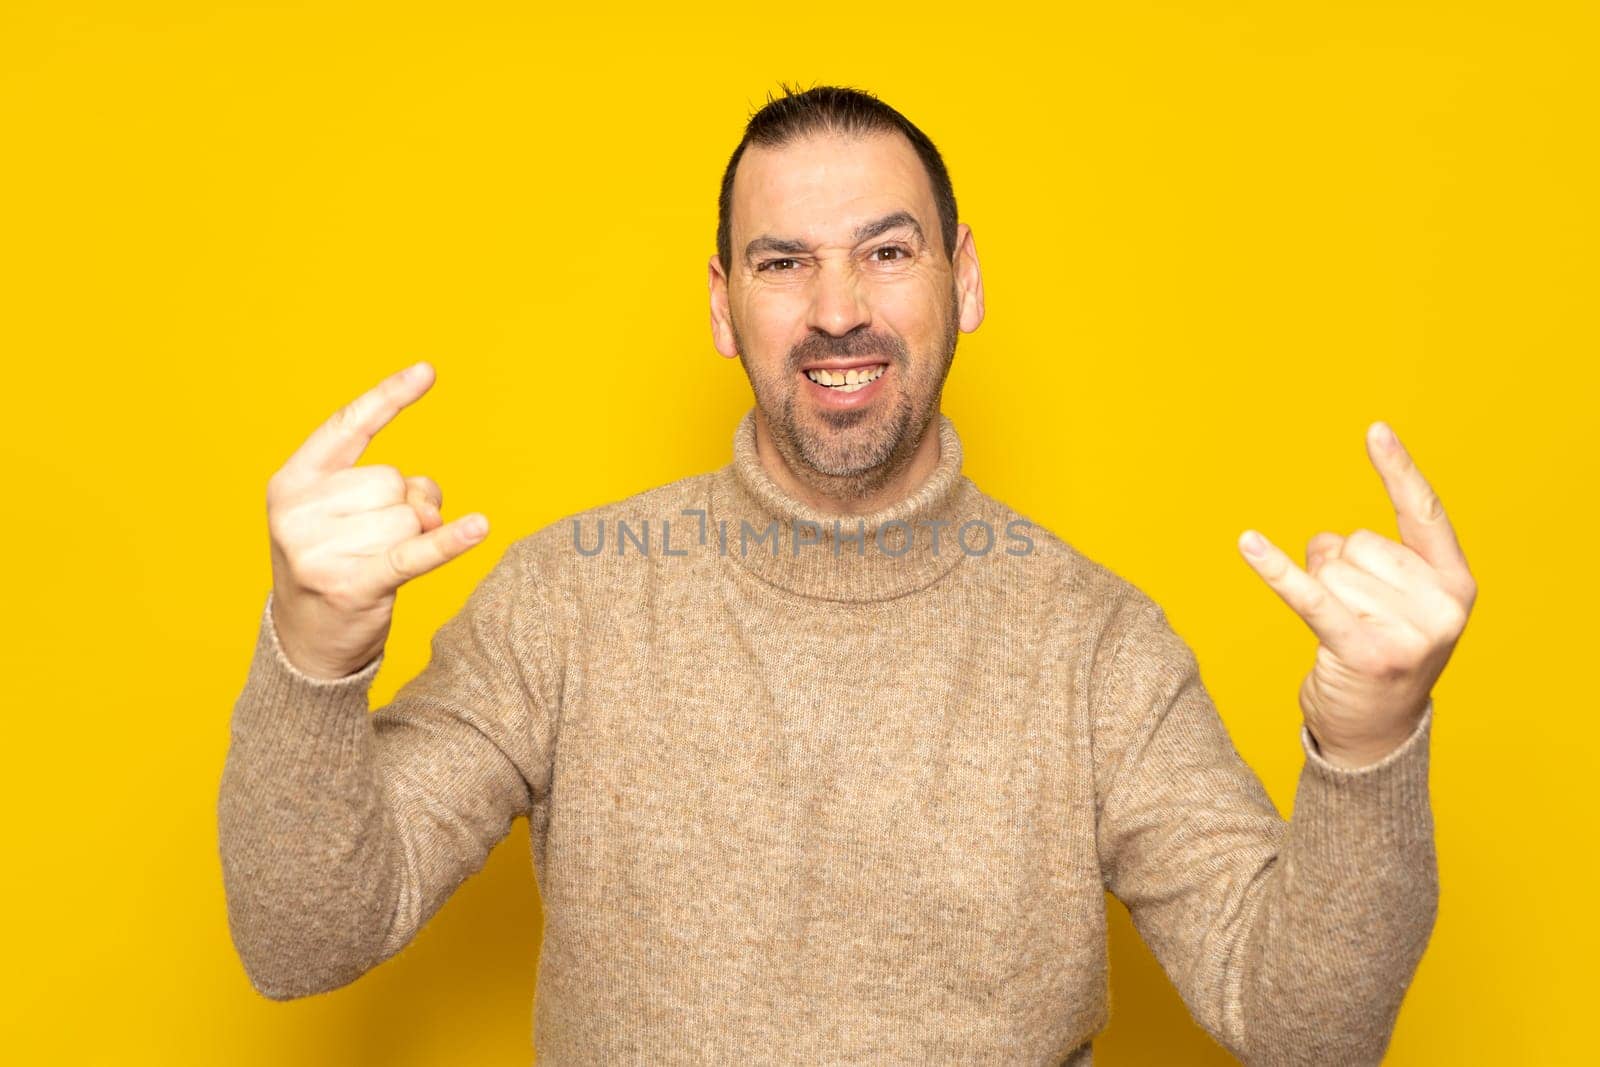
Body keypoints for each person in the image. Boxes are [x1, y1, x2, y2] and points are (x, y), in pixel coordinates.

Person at [217, 85, 1476, 1065]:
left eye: (884, 251)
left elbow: (1303, 1023)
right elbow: (303, 937)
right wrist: (315, 651)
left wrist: (1368, 742)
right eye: (782, 262)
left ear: (961, 277)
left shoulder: (1094, 644)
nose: (835, 309)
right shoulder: (569, 601)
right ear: (723, 306)